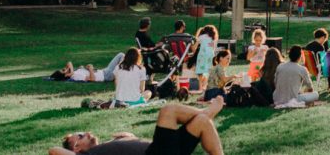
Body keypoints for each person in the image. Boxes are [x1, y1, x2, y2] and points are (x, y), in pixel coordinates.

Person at [51, 96, 225, 155]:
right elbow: (53, 150)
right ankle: (208, 110)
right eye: (81, 136)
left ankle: (205, 114)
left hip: (164, 150)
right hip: (156, 154)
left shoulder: (105, 148)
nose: (87, 133)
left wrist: (130, 139)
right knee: (169, 111)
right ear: (76, 148)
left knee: (202, 123)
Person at [51, 52, 127, 82]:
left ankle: (121, 73)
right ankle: (121, 75)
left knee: (122, 58)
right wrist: (90, 69)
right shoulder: (76, 76)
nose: (65, 68)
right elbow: (92, 79)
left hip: (104, 71)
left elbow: (69, 63)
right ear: (66, 75)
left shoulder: (74, 73)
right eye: (63, 70)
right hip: (106, 75)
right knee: (121, 55)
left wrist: (83, 68)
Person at [193, 25, 218, 93]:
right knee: (208, 70)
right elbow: (214, 49)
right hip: (210, 56)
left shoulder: (201, 36)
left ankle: (200, 88)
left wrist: (192, 48)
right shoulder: (213, 38)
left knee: (200, 71)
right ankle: (206, 86)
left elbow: (194, 47)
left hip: (202, 55)